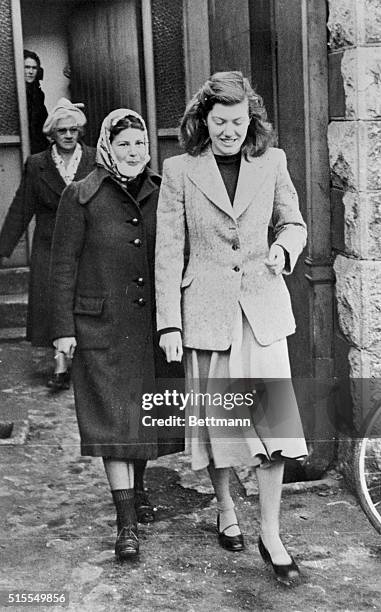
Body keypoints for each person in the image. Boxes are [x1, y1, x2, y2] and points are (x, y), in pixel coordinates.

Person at [155, 71, 308, 585]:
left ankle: (271, 532)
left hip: (261, 310)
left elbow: (294, 222)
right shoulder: (178, 171)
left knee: (273, 428)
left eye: (238, 122)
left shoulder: (273, 162)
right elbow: (169, 250)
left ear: (251, 119)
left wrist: (283, 248)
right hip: (207, 314)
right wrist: (168, 324)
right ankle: (226, 509)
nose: (228, 132)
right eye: (219, 122)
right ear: (204, 120)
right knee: (220, 427)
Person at [49, 109, 184, 561]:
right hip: (101, 329)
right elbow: (63, 267)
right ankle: (126, 526)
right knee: (113, 423)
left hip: (149, 331)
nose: (133, 152)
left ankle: (139, 488)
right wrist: (63, 332)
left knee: (143, 416)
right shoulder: (81, 196)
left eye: (140, 145)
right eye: (124, 144)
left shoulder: (162, 192)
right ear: (108, 146)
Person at [0, 98, 95, 390]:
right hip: (49, 246)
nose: (68, 135)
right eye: (62, 130)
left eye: (73, 130)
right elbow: (21, 207)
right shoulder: (37, 165)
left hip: (88, 246)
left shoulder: (94, 160)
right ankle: (61, 362)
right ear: (50, 134)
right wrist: (3, 248)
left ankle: (87, 362)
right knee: (55, 302)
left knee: (87, 302)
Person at [23, 50, 48, 154]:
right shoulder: (14, 93)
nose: (31, 71)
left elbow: (43, 119)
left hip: (37, 144)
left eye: (34, 68)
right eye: (27, 67)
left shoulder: (39, 94)